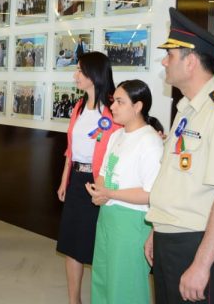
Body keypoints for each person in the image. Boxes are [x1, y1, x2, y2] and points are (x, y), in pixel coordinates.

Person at [144, 8, 214, 304]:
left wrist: (202, 264)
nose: (164, 62)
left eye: (170, 55)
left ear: (190, 61)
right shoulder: (187, 110)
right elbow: (176, 180)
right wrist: (158, 228)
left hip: (196, 241)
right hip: (170, 237)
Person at [86, 79, 164, 304]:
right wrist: (99, 193)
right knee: (103, 279)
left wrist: (109, 194)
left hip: (132, 221)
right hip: (108, 216)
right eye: (113, 101)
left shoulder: (150, 141)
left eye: (120, 102)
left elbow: (150, 193)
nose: (113, 107)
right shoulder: (116, 135)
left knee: (126, 285)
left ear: (137, 106)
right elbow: (104, 173)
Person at [56, 51, 121, 304]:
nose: (76, 76)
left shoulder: (114, 107)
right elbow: (70, 149)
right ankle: (74, 300)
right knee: (72, 245)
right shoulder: (79, 107)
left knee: (99, 247)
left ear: (94, 74)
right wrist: (64, 180)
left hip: (101, 185)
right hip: (76, 180)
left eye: (80, 71)